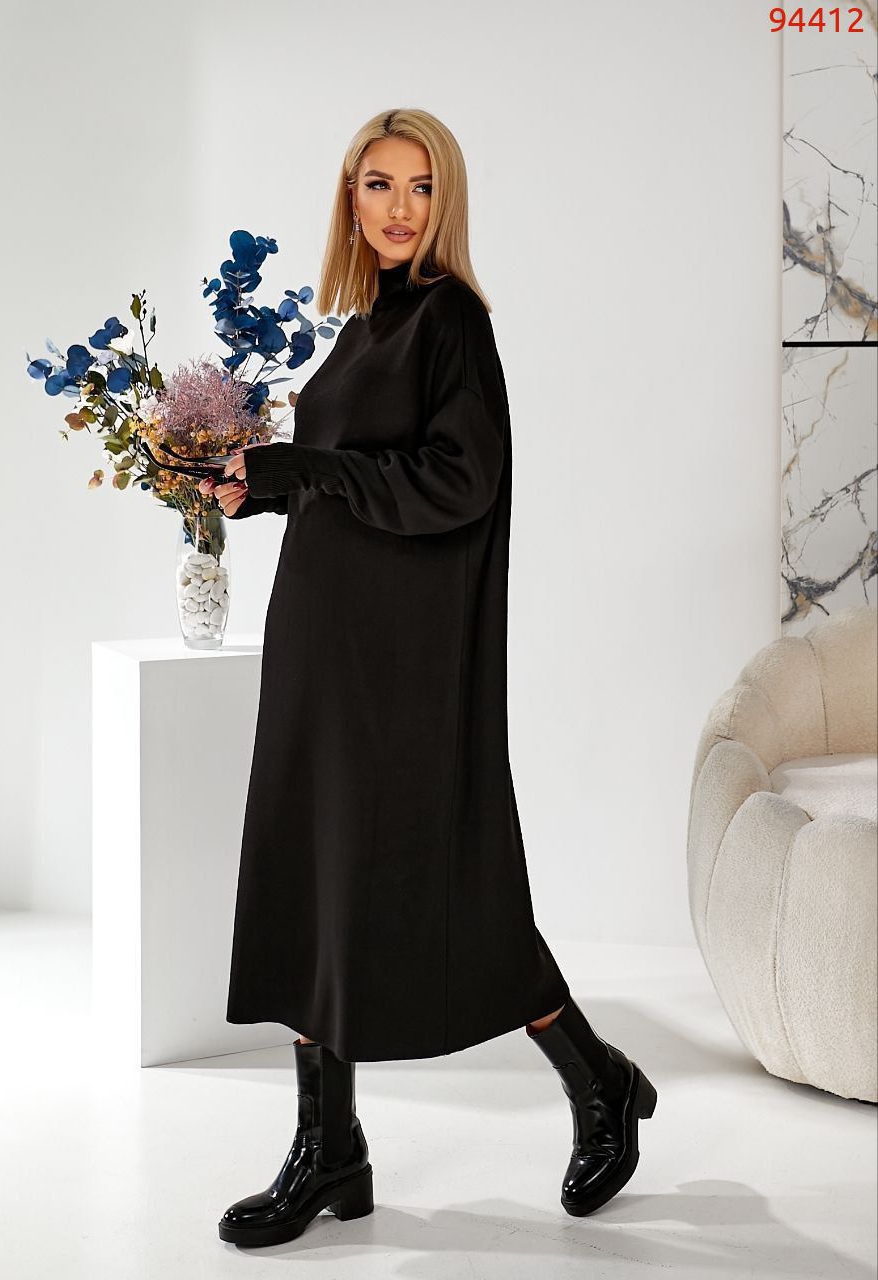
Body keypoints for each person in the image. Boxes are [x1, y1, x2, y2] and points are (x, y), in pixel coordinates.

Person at [201, 108, 657, 1251]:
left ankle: (599, 1078)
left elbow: (459, 481)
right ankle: (330, 1147)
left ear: (444, 200)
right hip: (323, 649)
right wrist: (257, 484)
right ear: (349, 198)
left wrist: (305, 468)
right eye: (378, 184)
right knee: (311, 877)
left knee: (454, 886)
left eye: (419, 186)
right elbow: (349, 475)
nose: (399, 207)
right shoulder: (367, 323)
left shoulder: (450, 319)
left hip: (398, 665)